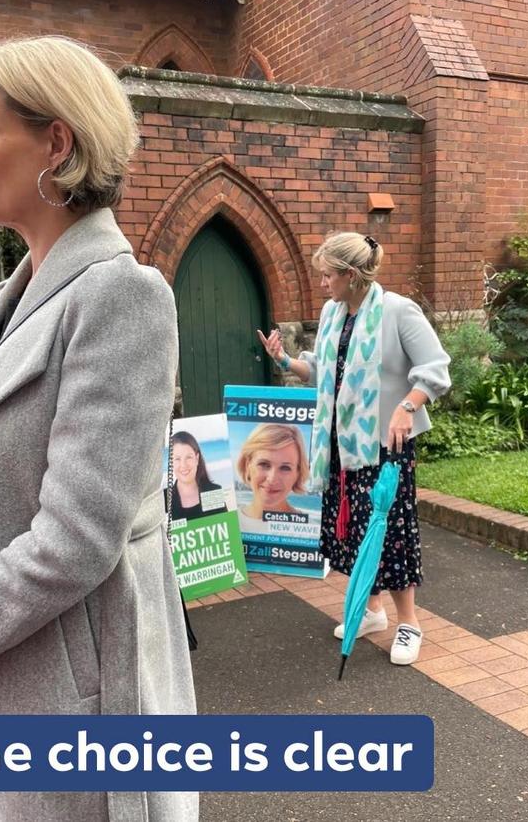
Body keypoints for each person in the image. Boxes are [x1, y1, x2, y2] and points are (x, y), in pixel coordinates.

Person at [0, 36, 197, 822]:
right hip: (15, 668)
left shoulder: (121, 296)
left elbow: (78, 534)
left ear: (56, 143)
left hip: (85, 695)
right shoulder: (17, 292)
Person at [258, 232, 451, 666]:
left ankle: (409, 624)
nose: (322, 283)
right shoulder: (332, 314)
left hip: (385, 446)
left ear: (350, 275)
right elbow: (323, 372)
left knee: (390, 534)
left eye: (328, 275)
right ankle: (372, 611)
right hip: (341, 446)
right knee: (354, 532)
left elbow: (436, 370)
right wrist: (285, 361)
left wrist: (406, 406)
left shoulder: (398, 311)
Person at [236, 423, 309, 520]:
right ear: (247, 465)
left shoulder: (308, 529)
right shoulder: (227, 525)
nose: (272, 478)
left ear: (297, 474)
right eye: (264, 465)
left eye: (285, 468)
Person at [169, 430, 225, 521]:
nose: (183, 465)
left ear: (197, 458)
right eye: (177, 459)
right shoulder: (164, 499)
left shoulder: (212, 492)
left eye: (189, 457)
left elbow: (227, 531)